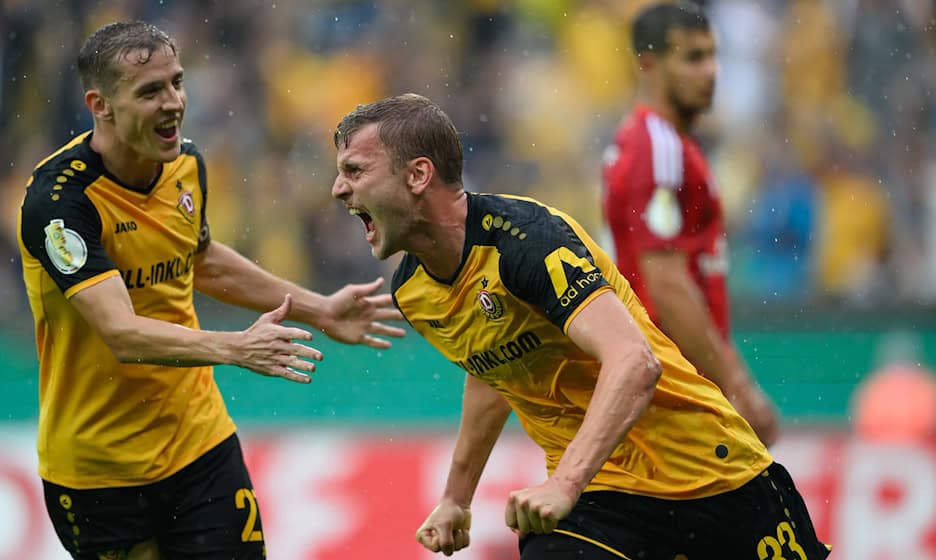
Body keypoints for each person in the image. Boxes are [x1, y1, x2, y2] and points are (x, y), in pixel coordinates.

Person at [331, 92, 829, 559]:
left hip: (710, 475)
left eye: (354, 170)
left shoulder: (527, 240)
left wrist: (563, 483)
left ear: (418, 175)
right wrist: (457, 497)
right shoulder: (413, 289)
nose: (338, 189)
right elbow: (494, 368)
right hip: (598, 501)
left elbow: (635, 363)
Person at [17, 21, 404, 560]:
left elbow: (197, 258)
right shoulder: (60, 203)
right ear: (99, 104)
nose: (173, 102)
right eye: (150, 91)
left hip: (200, 445)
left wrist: (319, 309)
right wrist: (234, 348)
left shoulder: (188, 165)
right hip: (100, 473)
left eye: (176, 82)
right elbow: (121, 333)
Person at [602, 1, 780, 446]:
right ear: (649, 65)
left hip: (664, 380)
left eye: (713, 56)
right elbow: (666, 282)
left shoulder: (651, 142)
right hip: (672, 385)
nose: (711, 72)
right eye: (693, 57)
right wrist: (736, 387)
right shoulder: (658, 148)